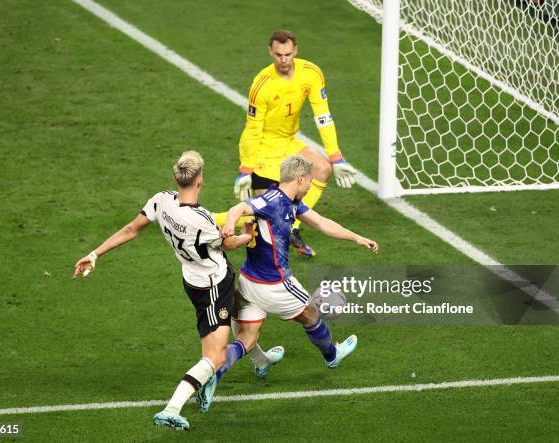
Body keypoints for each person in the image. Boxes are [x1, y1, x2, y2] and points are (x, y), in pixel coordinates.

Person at [73, 151, 282, 431]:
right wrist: (246, 234)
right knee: (215, 356)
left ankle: (261, 360)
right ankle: (173, 407)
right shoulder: (201, 220)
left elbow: (130, 229)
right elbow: (227, 244)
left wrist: (95, 254)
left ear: (175, 179)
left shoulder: (161, 200)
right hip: (213, 287)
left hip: (193, 281)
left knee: (242, 311)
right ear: (200, 181)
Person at [197, 154, 378, 411]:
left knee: (247, 339)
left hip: (248, 282)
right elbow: (239, 208)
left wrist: (357, 237)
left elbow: (322, 222)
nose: (310, 186)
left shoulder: (290, 201)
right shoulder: (271, 202)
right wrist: (228, 225)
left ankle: (213, 376)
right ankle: (332, 355)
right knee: (312, 313)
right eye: (310, 182)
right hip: (274, 283)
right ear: (300, 178)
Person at [215, 29, 358, 258]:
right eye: (279, 54)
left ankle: (293, 228)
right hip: (263, 147)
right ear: (270, 52)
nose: (284, 60)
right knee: (265, 215)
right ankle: (213, 219)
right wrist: (245, 169)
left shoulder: (311, 74)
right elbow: (253, 129)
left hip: (289, 141)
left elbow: (323, 117)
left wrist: (336, 156)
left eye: (288, 54)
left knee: (322, 168)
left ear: (295, 51)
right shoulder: (261, 85)